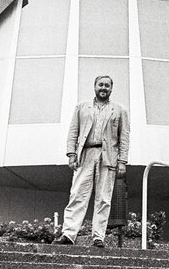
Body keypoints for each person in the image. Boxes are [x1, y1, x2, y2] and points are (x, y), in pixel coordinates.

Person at [53, 75, 130, 248]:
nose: (104, 88)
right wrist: (71, 154)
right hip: (85, 154)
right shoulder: (82, 107)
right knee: (78, 194)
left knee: (104, 198)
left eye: (107, 86)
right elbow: (73, 131)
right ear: (95, 86)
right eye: (101, 84)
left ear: (111, 88)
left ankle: (98, 237)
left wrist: (122, 161)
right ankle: (69, 233)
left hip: (108, 156)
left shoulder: (119, 110)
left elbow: (124, 137)